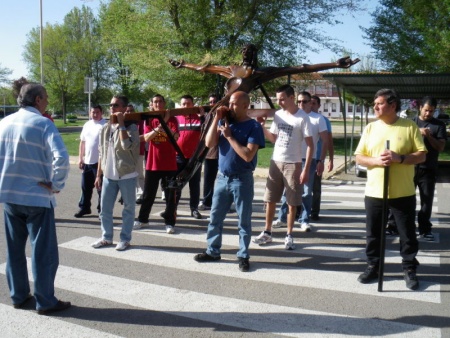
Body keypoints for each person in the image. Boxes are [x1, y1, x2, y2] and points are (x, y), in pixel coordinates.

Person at [0, 83, 71, 314]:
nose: (48, 102)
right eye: (47, 98)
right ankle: (45, 301)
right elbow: (61, 157)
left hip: (10, 196)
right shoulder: (43, 123)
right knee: (43, 253)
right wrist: (56, 184)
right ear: (38, 99)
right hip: (37, 198)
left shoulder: (3, 123)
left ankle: (19, 296)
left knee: (14, 250)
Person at [355, 88, 426, 290]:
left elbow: (421, 155)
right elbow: (359, 157)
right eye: (374, 104)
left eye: (379, 103)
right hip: (375, 192)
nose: (375, 107)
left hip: (403, 191)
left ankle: (409, 268)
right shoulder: (370, 128)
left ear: (392, 105)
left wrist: (400, 158)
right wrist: (376, 160)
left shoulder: (409, 126)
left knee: (407, 234)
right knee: (373, 234)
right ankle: (373, 265)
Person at [194, 91, 265, 272]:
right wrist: (216, 119)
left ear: (245, 106)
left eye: (234, 104)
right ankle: (213, 251)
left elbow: (248, 156)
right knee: (215, 218)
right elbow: (209, 144)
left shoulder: (253, 127)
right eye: (230, 103)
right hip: (222, 178)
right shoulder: (224, 122)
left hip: (242, 180)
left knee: (243, 221)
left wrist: (229, 136)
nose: (231, 107)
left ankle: (243, 255)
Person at [253, 85, 313, 250]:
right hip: (276, 161)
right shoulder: (278, 115)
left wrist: (306, 169)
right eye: (277, 99)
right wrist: (262, 127)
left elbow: (310, 146)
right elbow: (273, 139)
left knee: (292, 202)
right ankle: (267, 232)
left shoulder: (302, 118)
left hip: (293, 163)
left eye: (282, 99)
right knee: (270, 198)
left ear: (292, 98)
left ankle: (289, 235)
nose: (279, 102)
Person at [91, 95, 140, 251]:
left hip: (126, 174)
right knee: (105, 209)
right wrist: (99, 175)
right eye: (111, 105)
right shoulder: (105, 128)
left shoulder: (132, 127)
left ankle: (125, 239)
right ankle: (106, 237)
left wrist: (121, 125)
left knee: (128, 209)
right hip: (108, 176)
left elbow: (126, 145)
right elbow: (101, 153)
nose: (112, 107)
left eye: (116, 105)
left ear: (124, 108)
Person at [133, 94, 180, 234]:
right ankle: (142, 219)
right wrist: (160, 126)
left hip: (170, 164)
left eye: (160, 101)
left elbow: (175, 137)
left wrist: (164, 123)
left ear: (164, 103)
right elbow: (147, 138)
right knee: (148, 195)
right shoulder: (149, 119)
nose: (158, 104)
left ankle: (170, 223)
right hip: (153, 164)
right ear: (152, 104)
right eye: (155, 102)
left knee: (170, 196)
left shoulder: (172, 119)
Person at [412, 96, 447, 241]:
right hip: (410, 167)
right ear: (420, 107)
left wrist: (429, 136)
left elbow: (440, 147)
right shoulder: (411, 123)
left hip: (428, 169)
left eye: (431, 111)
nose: (428, 114)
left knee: (427, 201)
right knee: (404, 199)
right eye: (426, 110)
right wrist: (416, 132)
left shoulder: (439, 125)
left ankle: (425, 229)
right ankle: (394, 225)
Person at [74, 104, 106, 218]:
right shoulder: (87, 125)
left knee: (100, 188)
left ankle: (101, 210)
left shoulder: (105, 125)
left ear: (102, 112)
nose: (95, 114)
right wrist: (80, 158)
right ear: (90, 113)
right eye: (93, 112)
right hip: (87, 162)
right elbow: (83, 142)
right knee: (85, 187)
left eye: (97, 112)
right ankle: (84, 207)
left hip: (100, 163)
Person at [175, 95, 203, 219]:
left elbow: (207, 131)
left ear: (193, 105)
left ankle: (194, 208)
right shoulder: (176, 118)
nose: (186, 106)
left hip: (194, 157)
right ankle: (173, 208)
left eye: (188, 104)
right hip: (178, 157)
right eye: (183, 104)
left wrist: (202, 117)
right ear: (181, 105)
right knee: (176, 184)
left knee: (194, 184)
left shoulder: (199, 118)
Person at [310, 95, 334, 221]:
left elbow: (329, 141)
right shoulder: (302, 118)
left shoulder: (324, 120)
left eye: (314, 103)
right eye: (310, 103)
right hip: (302, 159)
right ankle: (299, 211)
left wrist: (330, 159)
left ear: (319, 106)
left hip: (317, 159)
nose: (311, 105)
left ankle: (314, 212)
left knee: (315, 188)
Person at [198, 93, 220, 211]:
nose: (212, 104)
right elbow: (202, 130)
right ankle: (207, 201)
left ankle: (225, 203)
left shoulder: (224, 115)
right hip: (210, 153)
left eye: (214, 101)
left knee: (225, 180)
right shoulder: (207, 116)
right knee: (208, 179)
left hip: (223, 153)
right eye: (210, 102)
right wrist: (202, 117)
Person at [126, 104, 146, 204]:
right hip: (126, 152)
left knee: (139, 173)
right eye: (127, 111)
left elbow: (144, 135)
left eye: (131, 111)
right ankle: (128, 194)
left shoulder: (140, 122)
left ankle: (140, 194)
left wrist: (135, 138)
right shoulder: (123, 123)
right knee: (127, 174)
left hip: (138, 151)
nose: (129, 113)